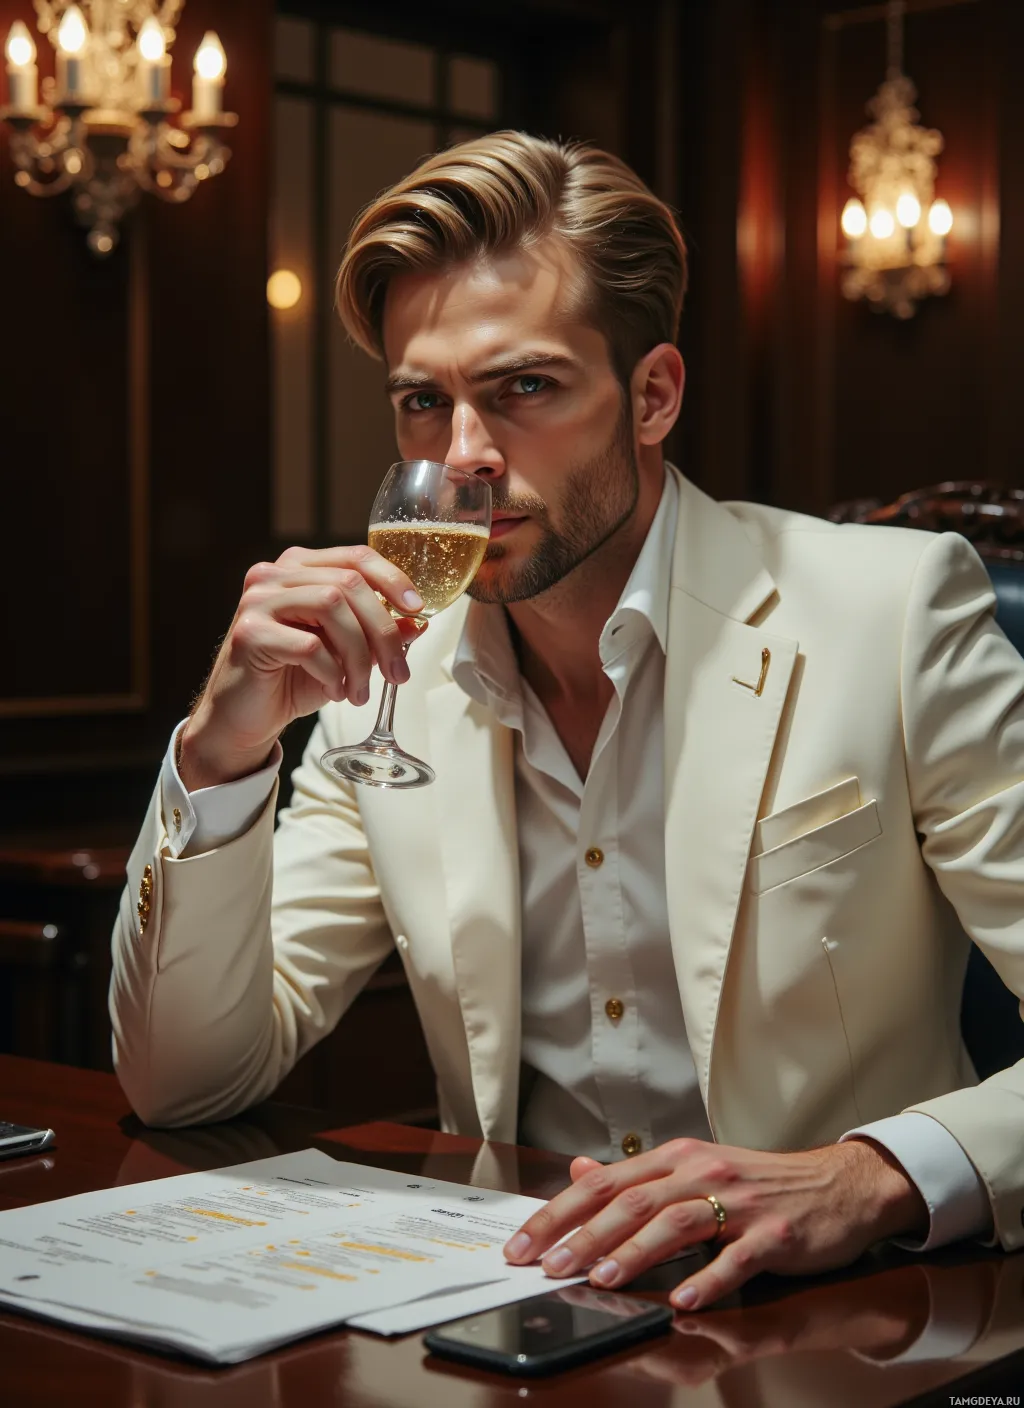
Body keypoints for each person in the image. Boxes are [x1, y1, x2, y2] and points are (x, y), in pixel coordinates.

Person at [110, 131, 1024, 1314]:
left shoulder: (892, 612)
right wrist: (222, 752)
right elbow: (184, 1084)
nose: (465, 456)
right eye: (422, 404)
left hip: (845, 1321)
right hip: (501, 1316)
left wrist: (866, 1175)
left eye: (522, 388)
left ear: (652, 395)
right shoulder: (388, 687)